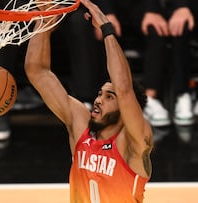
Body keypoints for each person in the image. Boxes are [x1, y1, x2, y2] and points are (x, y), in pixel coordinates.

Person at [24, 0, 153, 202]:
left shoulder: (133, 143)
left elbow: (124, 89)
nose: (98, 100)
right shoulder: (80, 128)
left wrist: (106, 28)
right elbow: (37, 72)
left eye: (109, 96)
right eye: (100, 93)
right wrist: (44, 18)